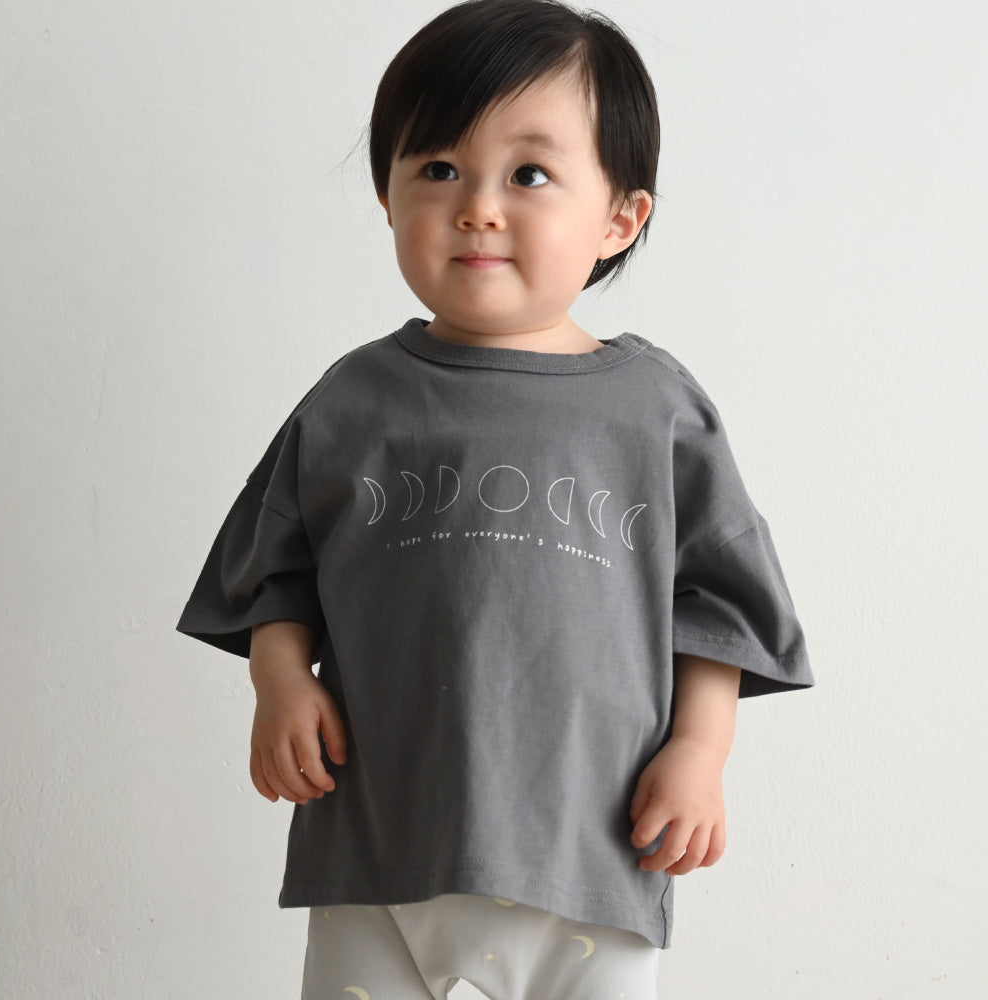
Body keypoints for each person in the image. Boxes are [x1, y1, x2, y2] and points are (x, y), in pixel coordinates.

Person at [175, 1, 816, 997]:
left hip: (594, 854)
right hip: (379, 845)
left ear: (619, 218)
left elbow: (719, 608)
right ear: (388, 199)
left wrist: (700, 749)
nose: (477, 206)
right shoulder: (353, 401)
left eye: (529, 174)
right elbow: (276, 572)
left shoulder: (656, 411)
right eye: (438, 168)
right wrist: (280, 680)